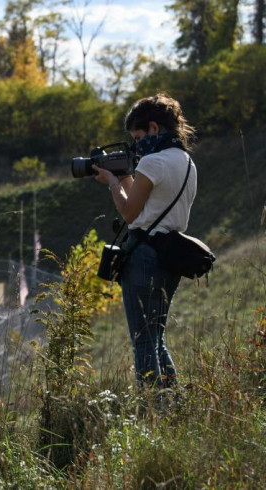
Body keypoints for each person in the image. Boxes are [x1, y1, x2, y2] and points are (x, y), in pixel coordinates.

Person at [92, 93, 197, 388]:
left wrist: (112, 182)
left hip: (143, 258)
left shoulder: (152, 163)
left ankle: (154, 406)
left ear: (153, 128)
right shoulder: (186, 162)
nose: (137, 144)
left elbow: (129, 213)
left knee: (142, 341)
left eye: (138, 136)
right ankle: (171, 401)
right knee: (156, 338)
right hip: (171, 256)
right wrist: (124, 174)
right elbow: (145, 207)